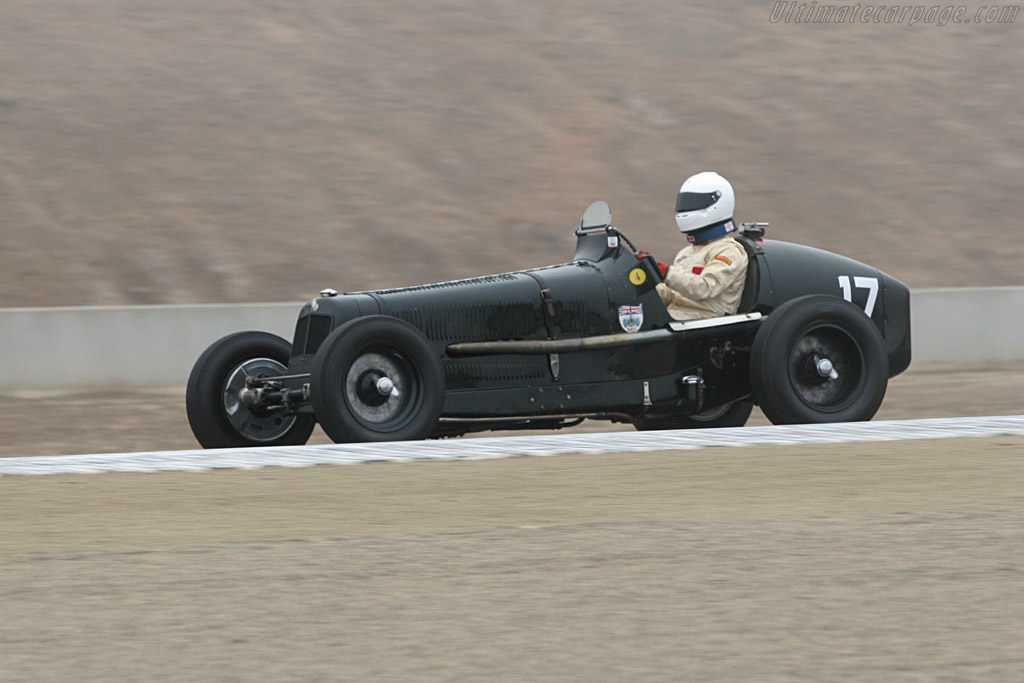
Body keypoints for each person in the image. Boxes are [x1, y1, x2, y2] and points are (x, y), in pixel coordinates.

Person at [655, 171, 749, 320]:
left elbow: (705, 288)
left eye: (692, 203)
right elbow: (671, 293)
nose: (686, 208)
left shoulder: (730, 251)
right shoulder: (686, 253)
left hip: (703, 322)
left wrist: (666, 273)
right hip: (674, 318)